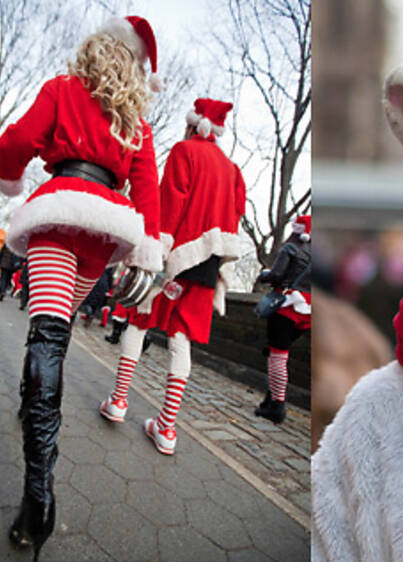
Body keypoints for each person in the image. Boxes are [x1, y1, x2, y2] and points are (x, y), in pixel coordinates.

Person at [0, 16, 162, 558]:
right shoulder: (135, 117)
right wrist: (148, 249)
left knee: (46, 331)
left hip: (61, 210)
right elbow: (148, 186)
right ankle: (30, 410)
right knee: (57, 331)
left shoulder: (65, 88)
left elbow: (17, 140)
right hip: (105, 228)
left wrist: (10, 174)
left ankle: (38, 496)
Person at [99, 98, 246, 455]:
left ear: (193, 125)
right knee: (182, 340)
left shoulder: (184, 150)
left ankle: (118, 402)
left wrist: (156, 248)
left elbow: (171, 203)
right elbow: (236, 214)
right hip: (207, 264)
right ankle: (166, 429)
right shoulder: (231, 169)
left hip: (174, 257)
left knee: (139, 321)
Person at [254, 216, 312, 423]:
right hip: (309, 310)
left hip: (287, 305)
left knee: (278, 356)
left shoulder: (291, 248)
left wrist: (264, 274)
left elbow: (277, 275)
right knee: (277, 354)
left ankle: (277, 405)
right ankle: (270, 399)